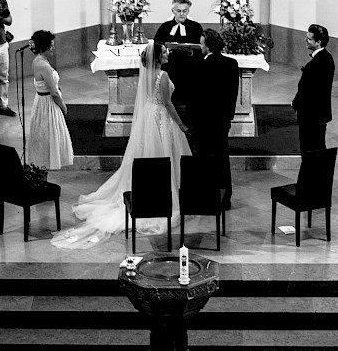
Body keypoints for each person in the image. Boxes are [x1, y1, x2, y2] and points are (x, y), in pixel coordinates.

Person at [51, 42, 192, 249]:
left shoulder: (150, 74)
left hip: (149, 116)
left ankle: (150, 191)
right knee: (165, 154)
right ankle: (165, 195)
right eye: (164, 52)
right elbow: (168, 103)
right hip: (161, 118)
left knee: (150, 154)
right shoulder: (162, 76)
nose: (167, 53)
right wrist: (181, 124)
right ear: (157, 58)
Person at [189, 29, 239, 208]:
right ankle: (225, 198)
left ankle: (206, 196)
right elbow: (233, 93)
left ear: (208, 45)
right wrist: (228, 116)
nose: (200, 47)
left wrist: (191, 120)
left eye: (202, 43)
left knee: (204, 157)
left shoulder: (200, 65)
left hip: (204, 121)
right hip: (223, 119)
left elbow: (196, 96)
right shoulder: (232, 64)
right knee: (222, 157)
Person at [26, 30, 74, 170]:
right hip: (48, 105)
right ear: (44, 47)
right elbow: (53, 92)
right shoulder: (44, 66)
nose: (53, 48)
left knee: (42, 135)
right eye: (51, 46)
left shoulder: (38, 61)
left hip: (40, 102)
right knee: (49, 136)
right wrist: (63, 106)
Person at [152, 0, 203, 120]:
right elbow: (157, 45)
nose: (182, 14)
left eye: (185, 11)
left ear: (188, 11)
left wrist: (192, 50)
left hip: (190, 67)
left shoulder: (196, 27)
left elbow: (202, 47)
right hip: (171, 66)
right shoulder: (165, 27)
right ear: (173, 11)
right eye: (178, 11)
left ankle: (190, 118)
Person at [291, 24, 335, 153]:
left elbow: (307, 90)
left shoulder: (316, 64)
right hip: (319, 113)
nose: (306, 40)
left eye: (309, 38)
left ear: (318, 42)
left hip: (311, 116)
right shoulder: (327, 58)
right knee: (317, 149)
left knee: (310, 149)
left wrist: (295, 103)